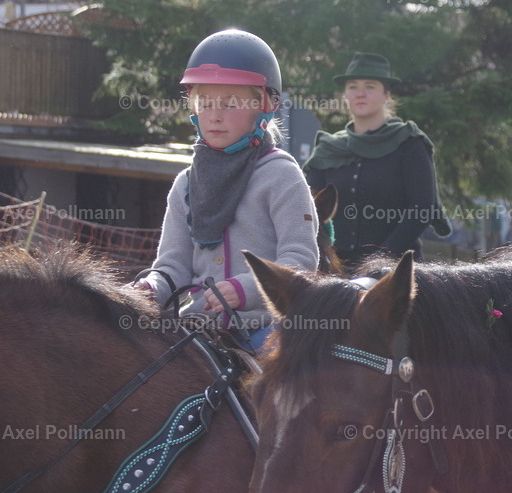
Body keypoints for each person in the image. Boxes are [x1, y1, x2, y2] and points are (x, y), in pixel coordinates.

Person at [135, 29, 319, 349]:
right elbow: (172, 267)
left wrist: (247, 289)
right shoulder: (184, 184)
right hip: (197, 331)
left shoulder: (283, 176)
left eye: (231, 103)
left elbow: (300, 263)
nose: (215, 116)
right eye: (205, 102)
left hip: (265, 329)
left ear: (264, 106)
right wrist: (148, 288)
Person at [302, 52, 450, 273]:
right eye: (353, 86)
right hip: (335, 275)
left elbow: (421, 208)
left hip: (398, 273)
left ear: (386, 95)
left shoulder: (409, 144)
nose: (360, 93)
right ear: (345, 94)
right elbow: (310, 210)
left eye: (370, 86)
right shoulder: (328, 148)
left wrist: (381, 261)